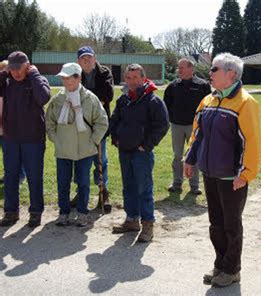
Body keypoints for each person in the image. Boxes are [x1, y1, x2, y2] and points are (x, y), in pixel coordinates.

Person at [184, 53, 261, 287]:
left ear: (231, 74)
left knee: (231, 224)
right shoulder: (208, 100)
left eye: (215, 69)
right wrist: (190, 159)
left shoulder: (246, 103)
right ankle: (220, 263)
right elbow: (197, 133)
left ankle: (231, 269)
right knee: (215, 223)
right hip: (210, 172)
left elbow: (252, 142)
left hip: (232, 176)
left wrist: (245, 174)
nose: (210, 72)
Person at [110, 64, 169, 242]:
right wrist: (116, 138)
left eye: (136, 77)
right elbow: (114, 120)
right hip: (125, 150)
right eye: (129, 78)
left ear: (143, 79)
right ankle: (131, 220)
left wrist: (147, 145)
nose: (132, 81)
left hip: (142, 152)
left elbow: (163, 125)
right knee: (128, 187)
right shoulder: (123, 99)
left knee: (144, 189)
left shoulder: (153, 100)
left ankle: (148, 225)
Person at [45, 63, 108, 227]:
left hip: (85, 149)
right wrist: (55, 139)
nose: (65, 81)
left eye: (68, 78)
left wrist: (93, 140)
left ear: (78, 78)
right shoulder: (58, 98)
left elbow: (102, 122)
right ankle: (63, 213)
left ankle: (82, 213)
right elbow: (49, 122)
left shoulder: (90, 98)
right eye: (63, 78)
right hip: (63, 148)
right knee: (63, 182)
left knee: (83, 183)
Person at [0, 51, 50, 228]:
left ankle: (36, 212)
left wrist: (34, 74)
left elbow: (43, 97)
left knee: (34, 176)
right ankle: (11, 212)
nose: (16, 73)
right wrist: (3, 72)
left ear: (27, 66)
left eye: (19, 69)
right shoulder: (6, 82)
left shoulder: (37, 79)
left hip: (33, 138)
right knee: (11, 176)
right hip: (10, 138)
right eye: (12, 69)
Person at [164, 57, 211, 195]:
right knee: (177, 155)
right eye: (179, 68)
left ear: (191, 69)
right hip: (177, 125)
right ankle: (177, 183)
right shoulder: (173, 86)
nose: (179, 70)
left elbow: (209, 105)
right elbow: (166, 106)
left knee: (194, 155)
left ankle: (194, 186)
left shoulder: (202, 85)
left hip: (195, 127)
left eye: (182, 67)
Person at [75, 46, 114, 211]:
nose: (86, 61)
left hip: (99, 124)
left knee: (101, 160)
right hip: (79, 123)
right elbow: (72, 92)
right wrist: (94, 99)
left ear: (94, 58)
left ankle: (103, 193)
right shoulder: (75, 72)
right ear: (78, 61)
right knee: (79, 159)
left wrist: (87, 100)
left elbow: (108, 95)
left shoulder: (104, 72)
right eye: (83, 58)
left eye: (89, 57)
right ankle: (80, 192)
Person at [0, 60, 26, 185]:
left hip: (9, 128)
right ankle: (7, 174)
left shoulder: (11, 87)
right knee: (7, 155)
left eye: (5, 71)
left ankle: (20, 175)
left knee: (12, 154)